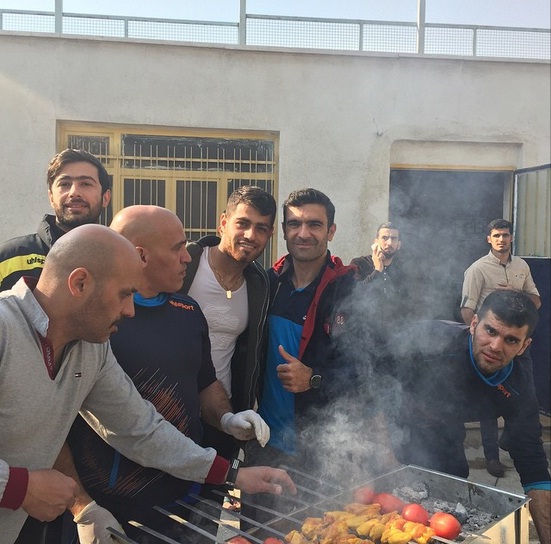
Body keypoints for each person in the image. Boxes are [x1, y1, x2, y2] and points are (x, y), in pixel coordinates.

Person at [0, 224, 296, 544]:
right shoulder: (5, 330)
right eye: (125, 294)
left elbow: (140, 429)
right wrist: (19, 487)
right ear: (80, 283)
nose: (129, 310)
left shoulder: (91, 349)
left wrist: (231, 474)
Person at [385, 290, 550, 544]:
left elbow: (534, 467)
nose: (496, 347)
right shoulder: (430, 341)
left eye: (511, 340)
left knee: (450, 500)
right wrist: (385, 459)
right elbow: (369, 383)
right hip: (394, 420)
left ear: (524, 346)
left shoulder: (519, 386)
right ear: (473, 324)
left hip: (446, 428)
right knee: (388, 505)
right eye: (490, 331)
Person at [241, 188, 358, 529]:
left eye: (314, 224)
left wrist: (315, 378)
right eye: (294, 224)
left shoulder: (350, 294)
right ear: (283, 230)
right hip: (262, 445)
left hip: (317, 452)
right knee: (255, 533)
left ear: (331, 231)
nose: (303, 233)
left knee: (311, 533)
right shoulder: (267, 284)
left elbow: (369, 375)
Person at [460, 219, 541, 477]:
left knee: (524, 392)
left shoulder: (521, 266)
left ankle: (512, 438)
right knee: (488, 402)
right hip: (489, 345)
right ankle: (491, 458)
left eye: (505, 235)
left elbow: (536, 301)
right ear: (489, 239)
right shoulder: (477, 269)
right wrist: (481, 338)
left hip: (515, 343)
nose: (501, 240)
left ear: (511, 238)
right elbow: (467, 310)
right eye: (496, 235)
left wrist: (517, 293)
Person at [0, 148, 111, 291]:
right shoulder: (9, 258)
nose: (74, 192)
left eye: (86, 184)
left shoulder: (119, 261)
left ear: (105, 197)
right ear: (51, 197)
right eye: (64, 184)